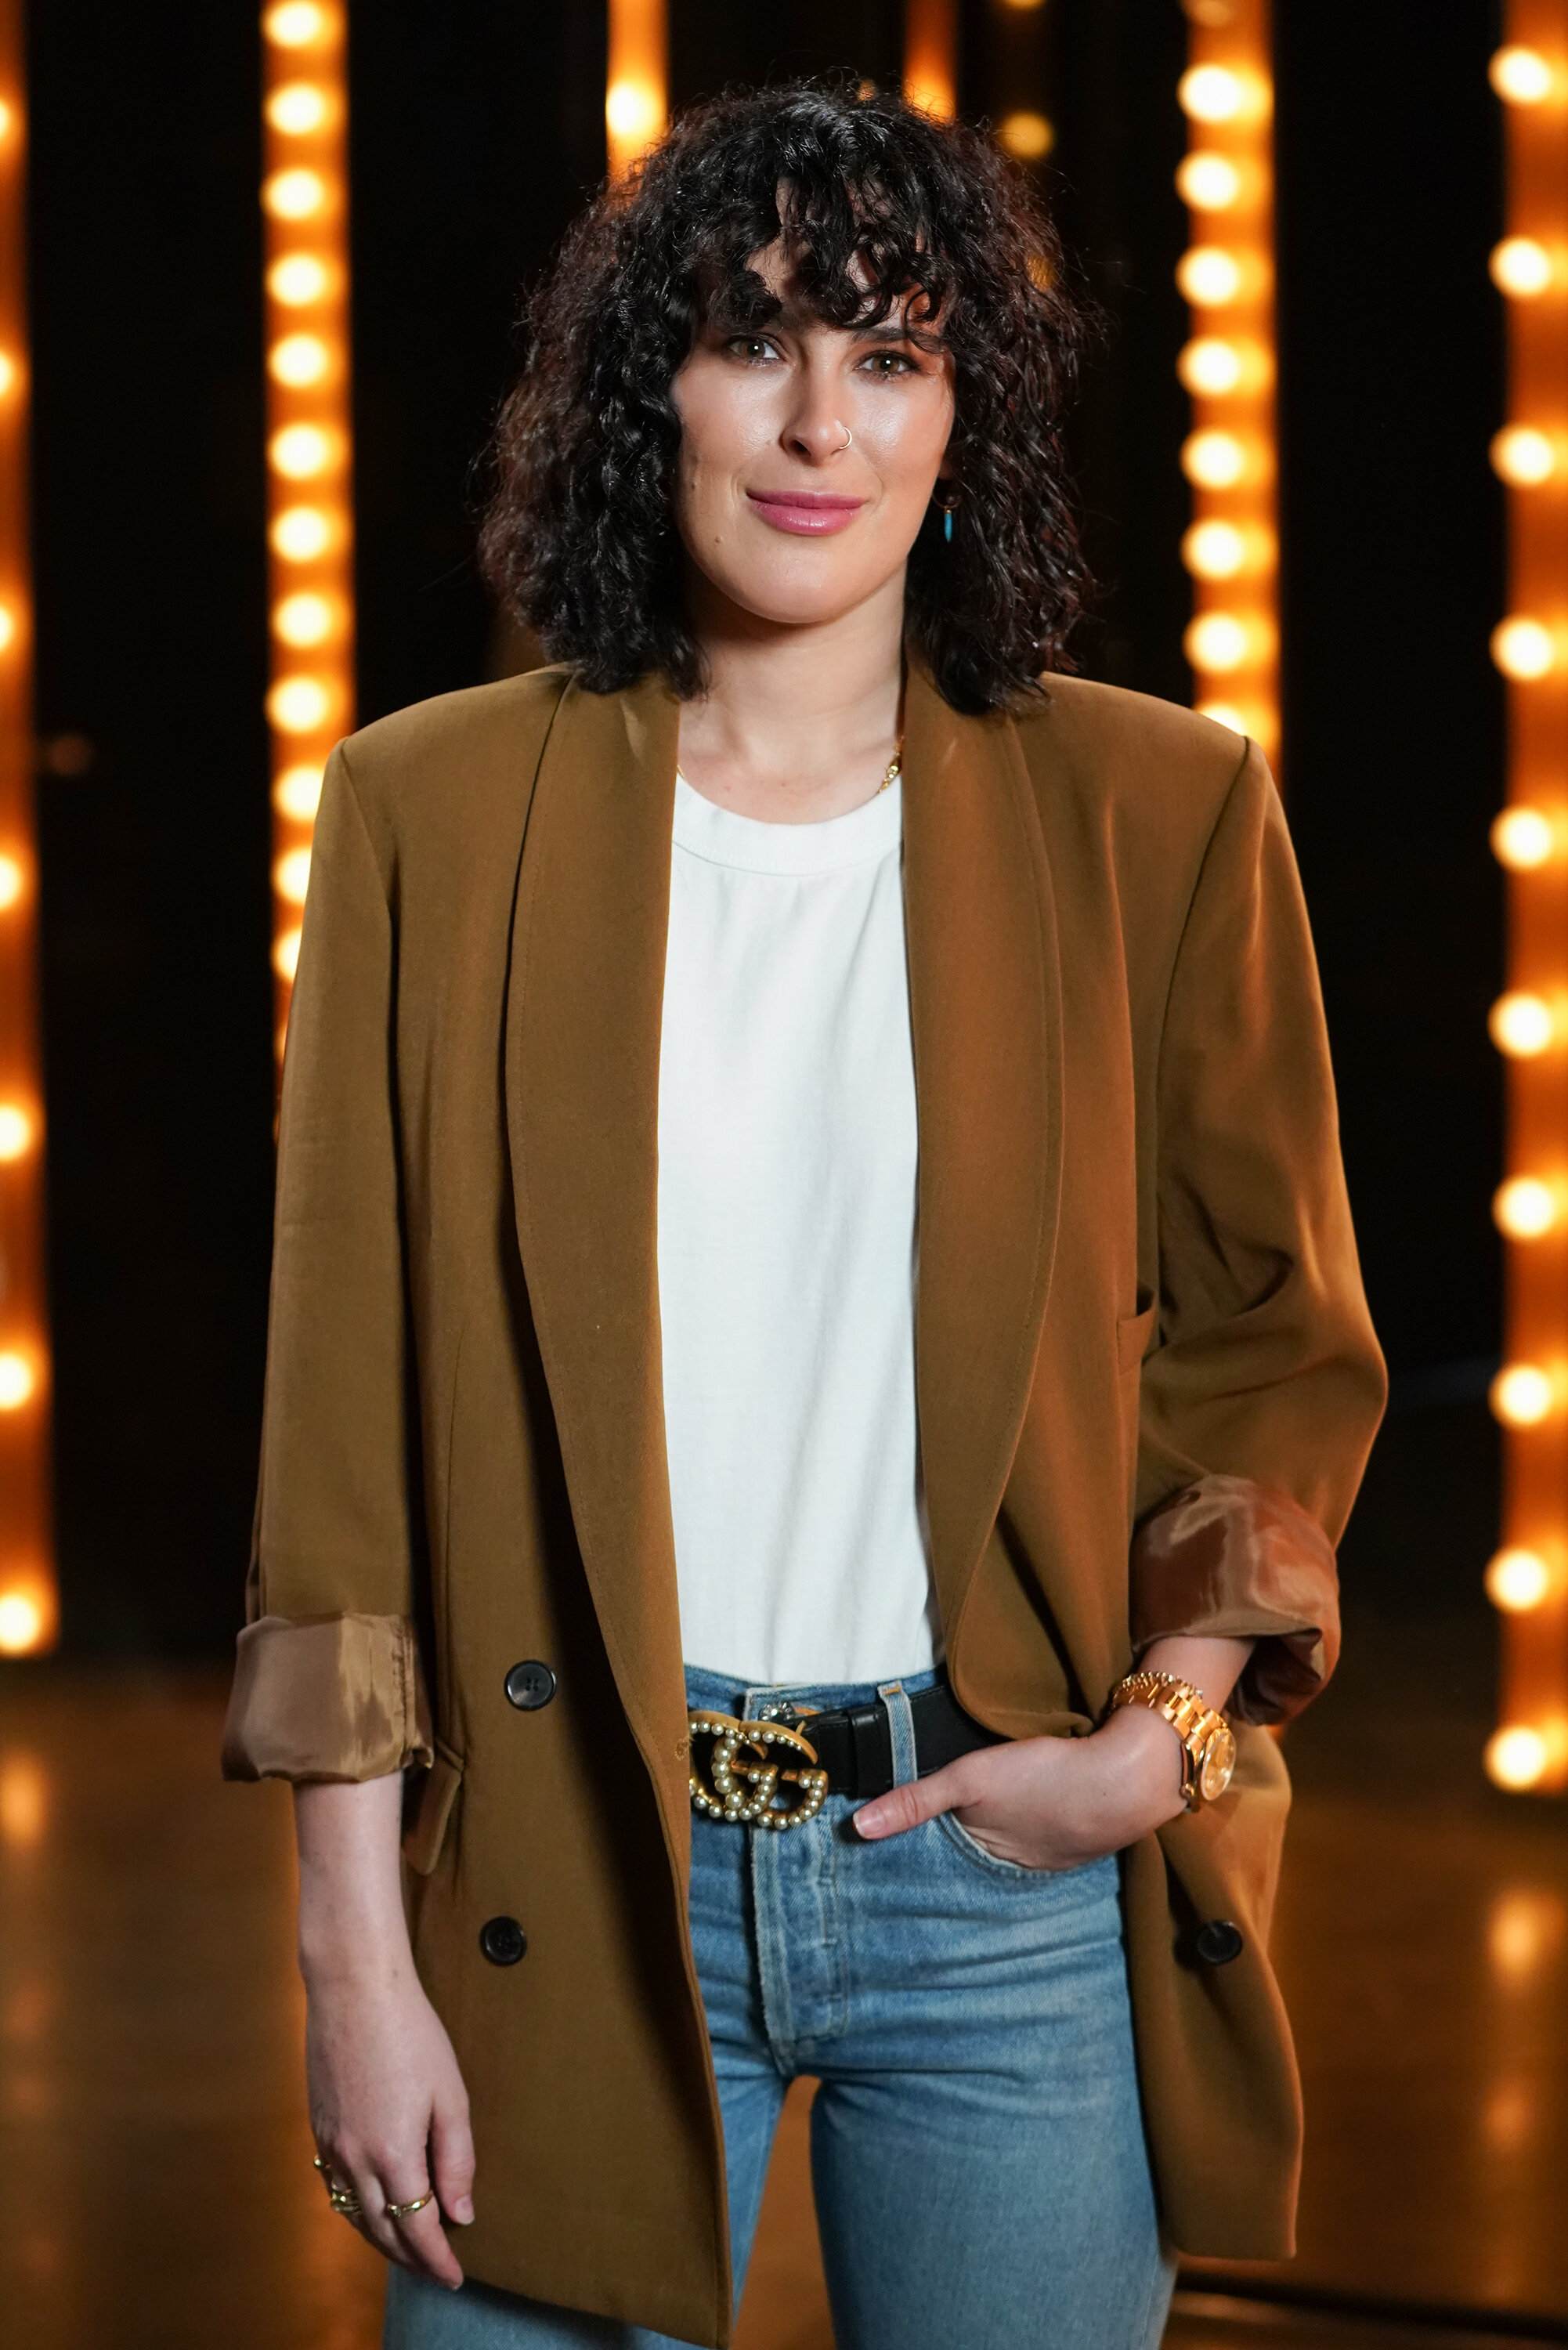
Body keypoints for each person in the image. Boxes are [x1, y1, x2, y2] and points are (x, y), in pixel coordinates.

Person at [222, 81, 1385, 2350]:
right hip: (568, 1860)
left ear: (966, 417)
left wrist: (1152, 1744)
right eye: (752, 339)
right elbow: (340, 1432)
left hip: (1004, 1871)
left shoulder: (1159, 810)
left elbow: (1274, 1341)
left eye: (889, 353)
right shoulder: (424, 814)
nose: (816, 421)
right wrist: (350, 1957)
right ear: (648, 386)